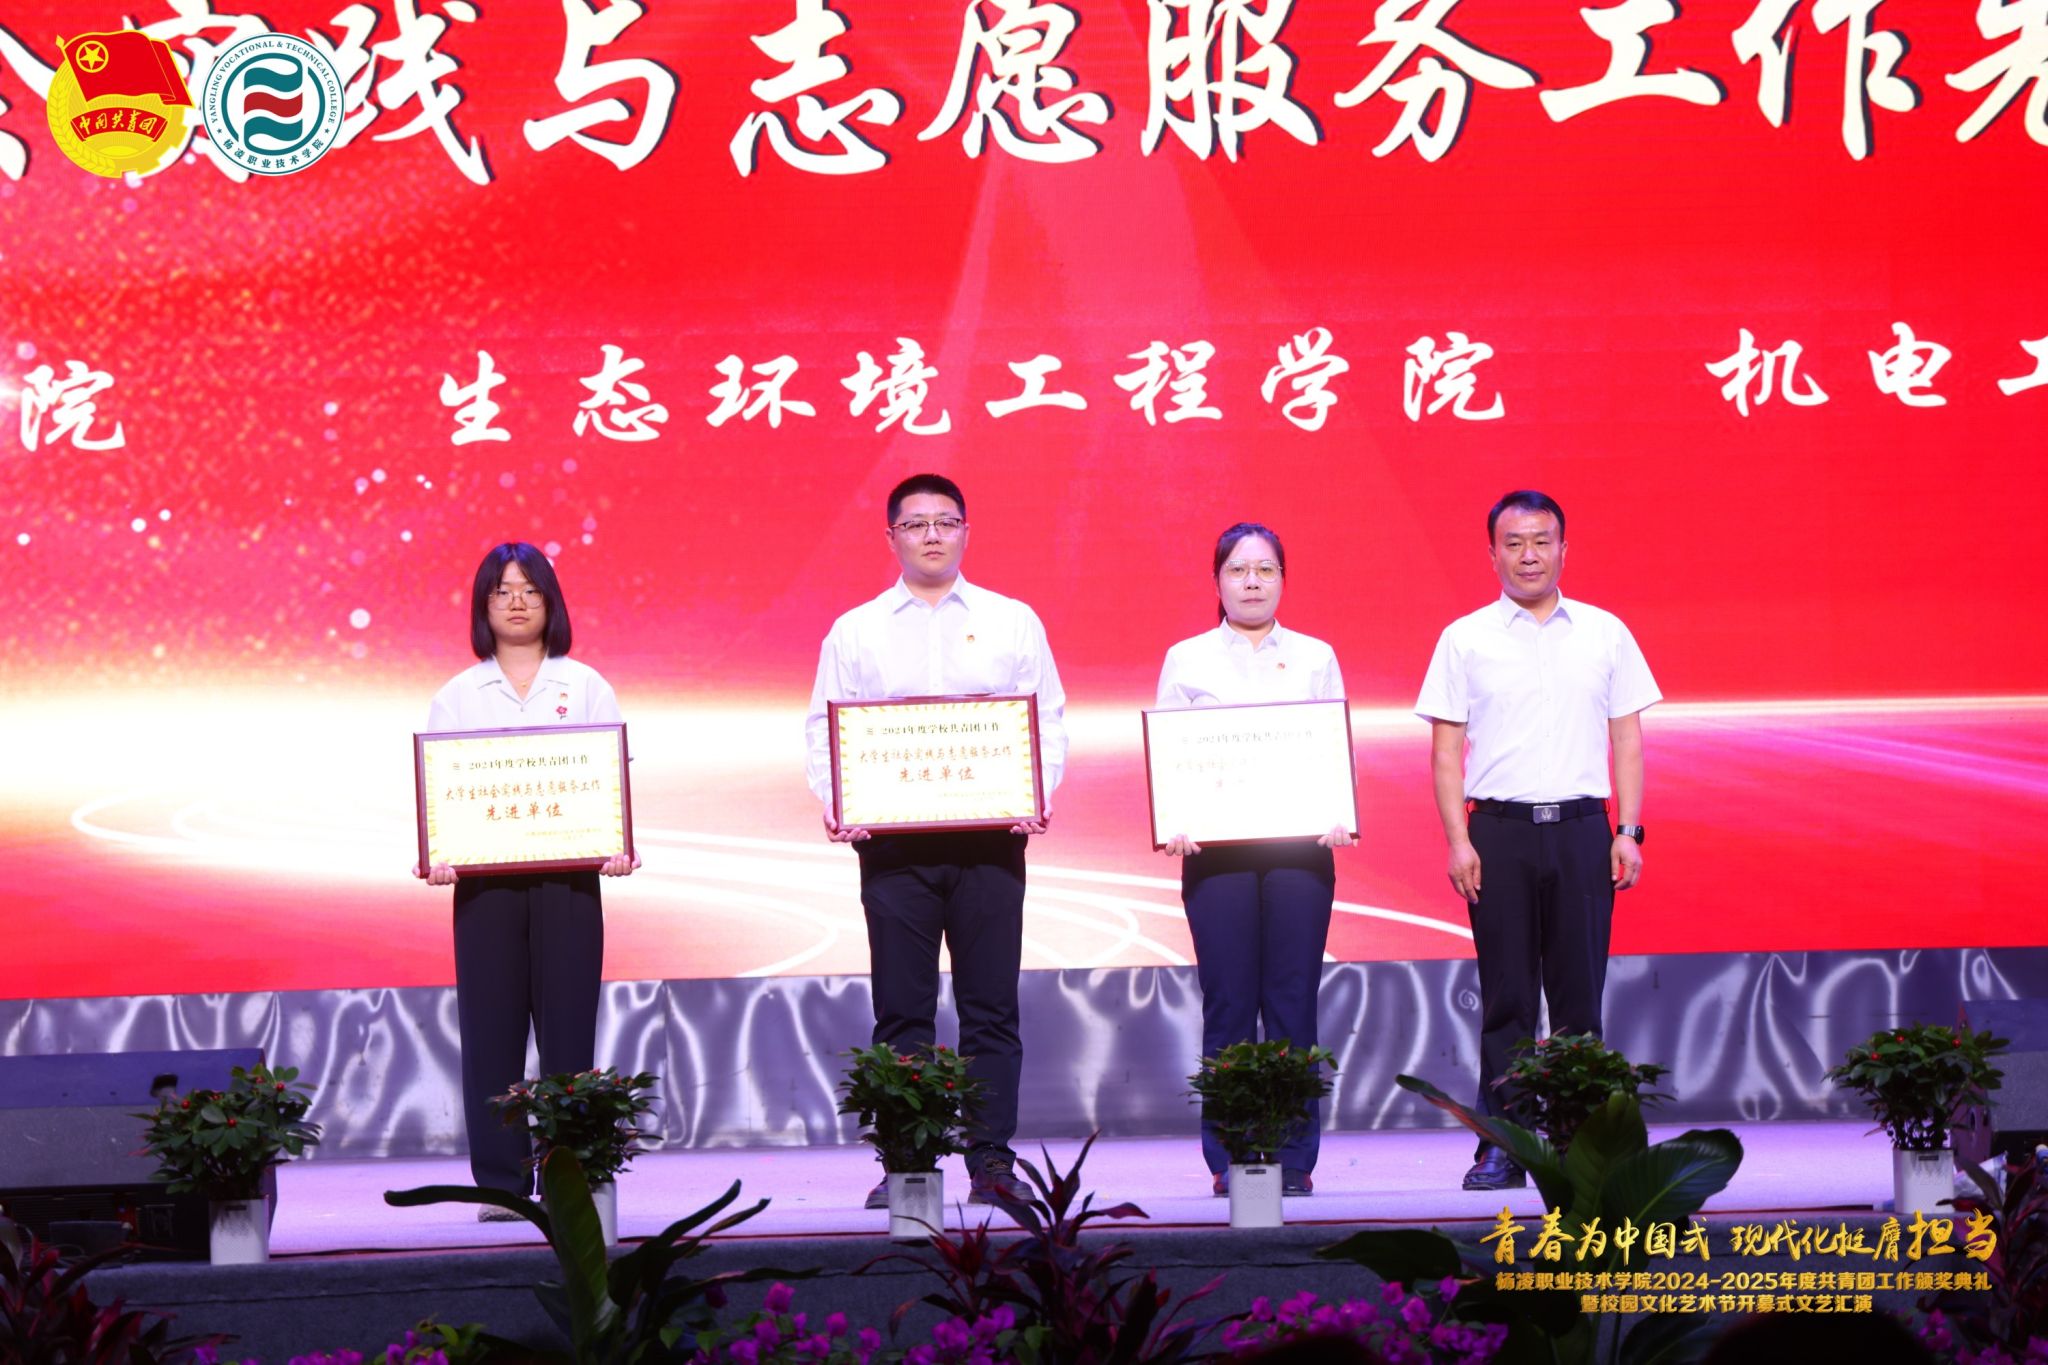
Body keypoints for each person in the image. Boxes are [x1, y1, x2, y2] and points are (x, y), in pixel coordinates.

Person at [804, 474, 1067, 1210]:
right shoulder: (856, 630)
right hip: (894, 849)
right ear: (891, 537)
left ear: (965, 532)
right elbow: (824, 725)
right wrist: (838, 801)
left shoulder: (1012, 620)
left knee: (991, 1008)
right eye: (915, 523)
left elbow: (1047, 717)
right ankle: (910, 1162)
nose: (931, 534)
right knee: (902, 1009)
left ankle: (991, 1161)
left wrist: (1036, 793)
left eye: (945, 521)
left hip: (990, 843)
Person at [1414, 491, 1659, 1191]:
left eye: (1542, 541)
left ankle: (1583, 1143)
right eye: (1514, 542)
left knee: (1580, 999)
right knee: (1508, 1000)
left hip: (1583, 830)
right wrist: (1458, 840)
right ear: (1492, 553)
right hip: (1499, 833)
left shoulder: (1606, 632)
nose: (1529, 555)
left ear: (1563, 548)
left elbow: (1627, 739)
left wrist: (1628, 830)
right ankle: (1505, 1144)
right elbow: (1445, 753)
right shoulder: (1464, 638)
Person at [414, 543, 638, 1215]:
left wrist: (616, 843)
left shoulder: (586, 685)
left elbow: (612, 779)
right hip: (485, 890)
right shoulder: (458, 694)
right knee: (491, 1034)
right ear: (482, 606)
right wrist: (438, 852)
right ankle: (501, 1184)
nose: (516, 602)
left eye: (530, 589)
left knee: (569, 1031)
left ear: (551, 601)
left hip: (569, 884)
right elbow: (441, 795)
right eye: (502, 591)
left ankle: (574, 1172)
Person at [1156, 522, 1353, 1197]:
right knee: (1230, 1004)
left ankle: (1294, 1157)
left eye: (1265, 570)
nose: (1251, 582)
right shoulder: (1187, 658)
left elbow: (1332, 745)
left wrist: (1339, 809)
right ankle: (1233, 1154)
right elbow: (1172, 755)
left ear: (1283, 579)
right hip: (1217, 858)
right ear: (1217, 581)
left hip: (1300, 852)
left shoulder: (1315, 656)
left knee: (1293, 1001)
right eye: (1238, 570)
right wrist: (1174, 820)